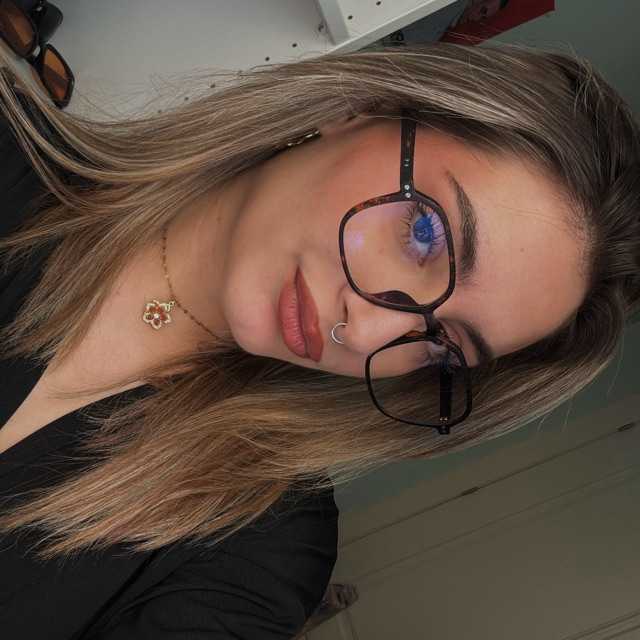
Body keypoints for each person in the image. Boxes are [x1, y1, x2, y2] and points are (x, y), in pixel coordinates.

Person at [0, 41, 638, 638]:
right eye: (424, 235)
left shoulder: (262, 543)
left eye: (441, 343)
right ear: (362, 110)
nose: (367, 331)